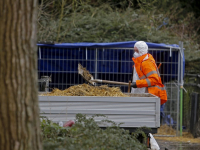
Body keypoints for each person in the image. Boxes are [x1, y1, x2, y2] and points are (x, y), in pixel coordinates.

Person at [131, 41, 167, 106]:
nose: (135, 53)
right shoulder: (139, 62)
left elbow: (154, 80)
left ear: (141, 51)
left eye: (136, 51)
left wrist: (137, 84)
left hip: (147, 95)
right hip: (142, 94)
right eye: (134, 50)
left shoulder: (147, 63)